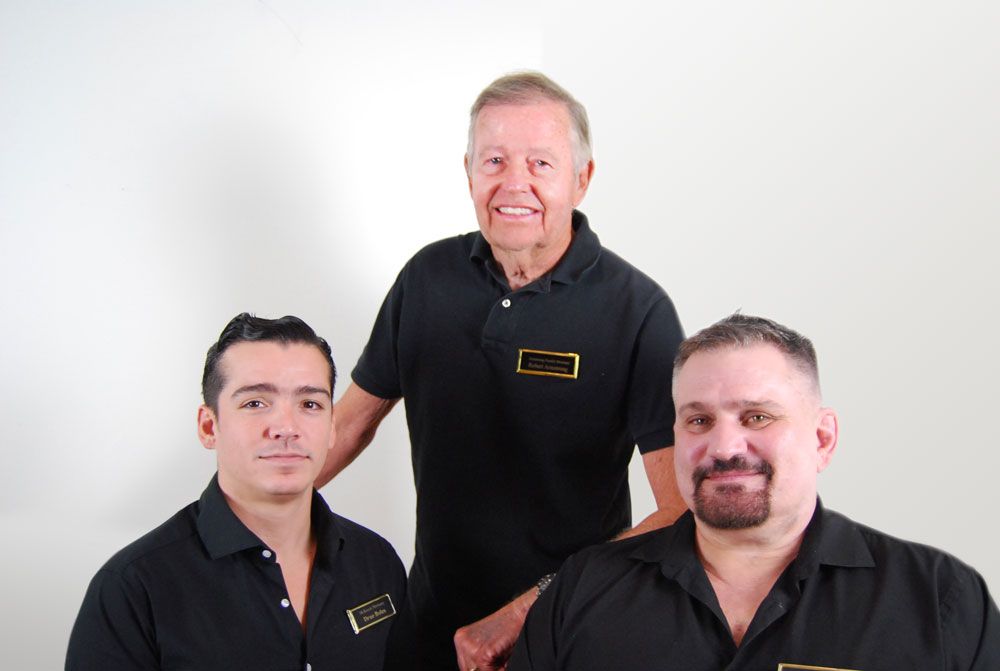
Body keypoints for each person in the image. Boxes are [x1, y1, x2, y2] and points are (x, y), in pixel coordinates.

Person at [315, 71, 687, 670]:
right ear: (467, 172)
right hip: (430, 623)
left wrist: (524, 614)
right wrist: (248, 516)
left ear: (582, 179)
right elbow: (350, 424)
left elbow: (679, 508)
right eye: (494, 160)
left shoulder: (638, 311)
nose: (515, 183)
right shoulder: (426, 280)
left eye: (541, 162)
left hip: (568, 632)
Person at [508, 313, 1000, 670]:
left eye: (757, 417)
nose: (723, 447)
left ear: (822, 438)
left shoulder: (940, 600)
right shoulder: (582, 592)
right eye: (699, 420)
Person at [66, 313, 406, 671]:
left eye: (310, 404)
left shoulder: (376, 562)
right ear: (209, 426)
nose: (286, 427)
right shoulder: (133, 588)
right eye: (255, 403)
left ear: (332, 428)